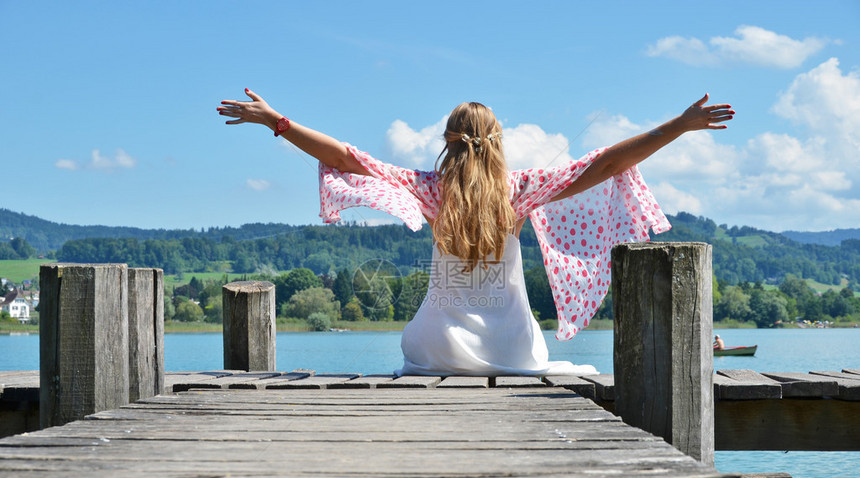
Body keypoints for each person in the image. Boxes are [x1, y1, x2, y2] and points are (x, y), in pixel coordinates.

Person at [217, 89, 733, 376]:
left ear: (447, 142)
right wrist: (678, 125)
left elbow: (344, 157)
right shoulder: (520, 191)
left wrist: (277, 122)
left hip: (435, 347)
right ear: (499, 143)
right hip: (515, 350)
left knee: (418, 333)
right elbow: (605, 162)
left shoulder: (429, 190)